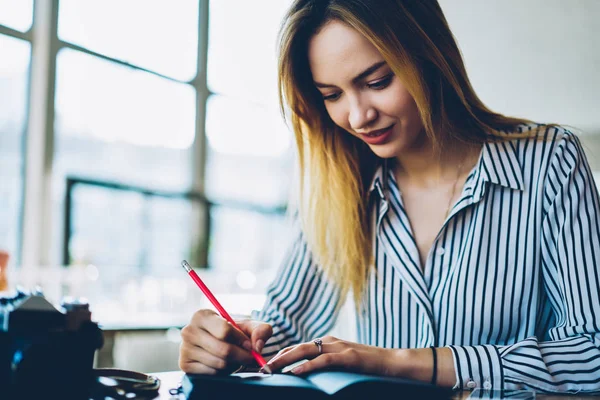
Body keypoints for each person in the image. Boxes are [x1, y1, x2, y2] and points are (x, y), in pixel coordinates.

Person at [179, 0, 600, 393]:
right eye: (332, 95)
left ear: (429, 55)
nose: (358, 116)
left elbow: (592, 352)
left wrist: (402, 362)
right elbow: (279, 337)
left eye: (377, 82)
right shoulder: (343, 186)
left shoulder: (548, 161)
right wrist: (226, 347)